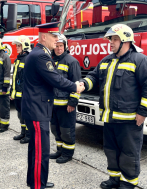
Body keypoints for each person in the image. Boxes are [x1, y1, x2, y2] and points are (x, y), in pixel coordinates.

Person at [80, 24, 147, 189]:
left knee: (129, 153)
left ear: (126, 41)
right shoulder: (107, 60)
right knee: (111, 150)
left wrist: (143, 112)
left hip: (129, 120)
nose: (111, 42)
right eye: (111, 39)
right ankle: (114, 178)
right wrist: (82, 84)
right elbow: (93, 77)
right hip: (109, 118)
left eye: (115, 39)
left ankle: (128, 182)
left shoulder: (139, 60)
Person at [21, 22, 85, 189]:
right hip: (37, 110)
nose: (57, 40)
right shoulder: (41, 55)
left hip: (37, 108)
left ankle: (36, 180)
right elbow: (56, 79)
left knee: (37, 150)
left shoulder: (39, 53)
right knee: (39, 152)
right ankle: (37, 185)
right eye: (54, 36)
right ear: (44, 37)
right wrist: (75, 87)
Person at [49, 34, 81, 163]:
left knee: (66, 130)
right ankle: (60, 150)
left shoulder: (71, 61)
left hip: (66, 105)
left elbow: (77, 84)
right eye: (56, 46)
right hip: (53, 104)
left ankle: (68, 154)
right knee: (56, 129)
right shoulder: (50, 61)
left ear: (65, 46)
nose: (59, 48)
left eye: (61, 46)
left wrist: (73, 102)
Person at [11, 35, 30, 144]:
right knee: (20, 115)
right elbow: (15, 77)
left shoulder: (27, 58)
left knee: (26, 115)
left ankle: (28, 135)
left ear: (25, 46)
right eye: (17, 45)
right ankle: (23, 132)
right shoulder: (18, 58)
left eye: (19, 45)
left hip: (25, 94)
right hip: (18, 93)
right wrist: (12, 91)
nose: (17, 47)